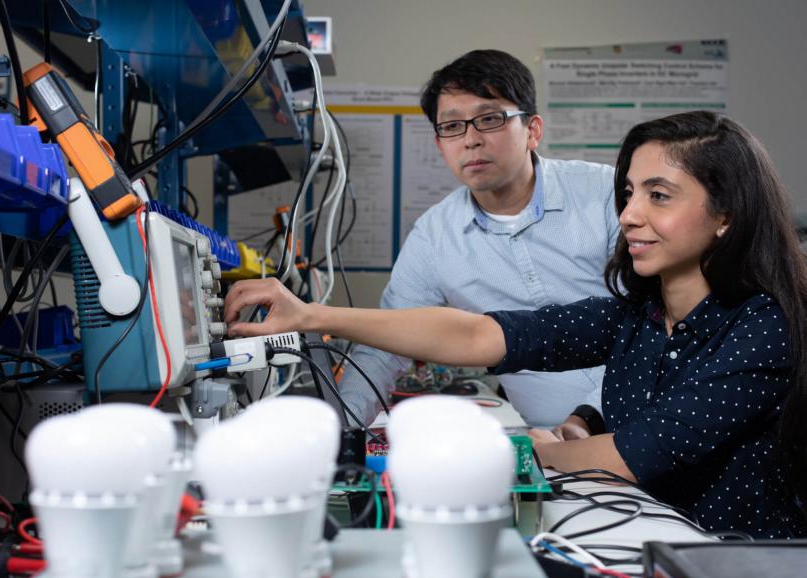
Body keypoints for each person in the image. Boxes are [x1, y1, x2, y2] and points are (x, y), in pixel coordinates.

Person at [225, 111, 807, 538]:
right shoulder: (641, 315)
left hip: (733, 564)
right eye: (629, 193)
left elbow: (638, 454)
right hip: (644, 539)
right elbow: (481, 335)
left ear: (726, 214)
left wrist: (525, 450)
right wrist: (311, 316)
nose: (629, 215)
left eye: (659, 196)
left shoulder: (763, 328)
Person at [338, 49, 618, 429]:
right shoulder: (435, 236)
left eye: (489, 119)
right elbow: (385, 347)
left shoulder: (607, 194)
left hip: (657, 424)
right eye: (452, 127)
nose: (470, 140)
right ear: (440, 145)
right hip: (551, 453)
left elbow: (658, 319)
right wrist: (338, 427)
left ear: (533, 130)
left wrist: (588, 417)